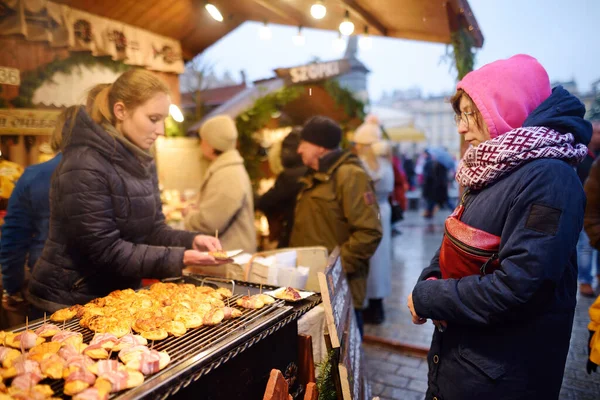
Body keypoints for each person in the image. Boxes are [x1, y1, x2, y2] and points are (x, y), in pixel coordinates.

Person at [407, 54, 591, 399]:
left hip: (502, 376)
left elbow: (521, 287)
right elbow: (458, 231)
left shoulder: (549, 178)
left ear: (504, 106)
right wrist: (431, 276)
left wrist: (429, 296)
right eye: (459, 115)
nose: (461, 128)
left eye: (469, 113)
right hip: (469, 362)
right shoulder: (496, 166)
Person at [28, 69, 225, 313]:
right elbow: (105, 251)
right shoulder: (84, 164)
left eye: (163, 120)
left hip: (116, 296)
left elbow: (153, 229)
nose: (161, 130)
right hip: (70, 299)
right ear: (120, 111)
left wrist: (191, 240)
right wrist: (180, 258)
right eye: (153, 119)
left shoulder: (142, 161)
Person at [1, 86, 108, 327]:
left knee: (54, 358)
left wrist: (12, 288)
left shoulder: (33, 175)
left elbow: (13, 240)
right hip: (106, 292)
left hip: (50, 294)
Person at [289, 116, 382, 335]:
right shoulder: (317, 175)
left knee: (343, 362)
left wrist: (332, 271)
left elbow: (369, 232)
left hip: (340, 289)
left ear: (320, 147)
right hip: (314, 286)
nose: (299, 149)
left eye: (304, 143)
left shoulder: (350, 175)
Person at [183, 115, 256, 254]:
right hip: (228, 256)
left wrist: (189, 214)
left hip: (229, 259)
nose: (201, 144)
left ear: (212, 144)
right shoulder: (226, 169)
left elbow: (210, 223)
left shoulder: (228, 174)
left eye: (203, 140)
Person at [352, 119, 394, 324]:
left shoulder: (362, 165)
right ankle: (377, 306)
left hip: (371, 212)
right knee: (381, 260)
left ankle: (372, 306)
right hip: (383, 212)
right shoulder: (385, 162)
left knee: (373, 259)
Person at [256, 127, 307, 248]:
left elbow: (266, 201)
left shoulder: (290, 176)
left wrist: (251, 196)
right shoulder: (310, 171)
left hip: (293, 236)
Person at [580, 118, 600, 296]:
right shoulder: (582, 154)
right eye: (598, 133)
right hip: (584, 208)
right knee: (585, 246)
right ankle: (585, 280)